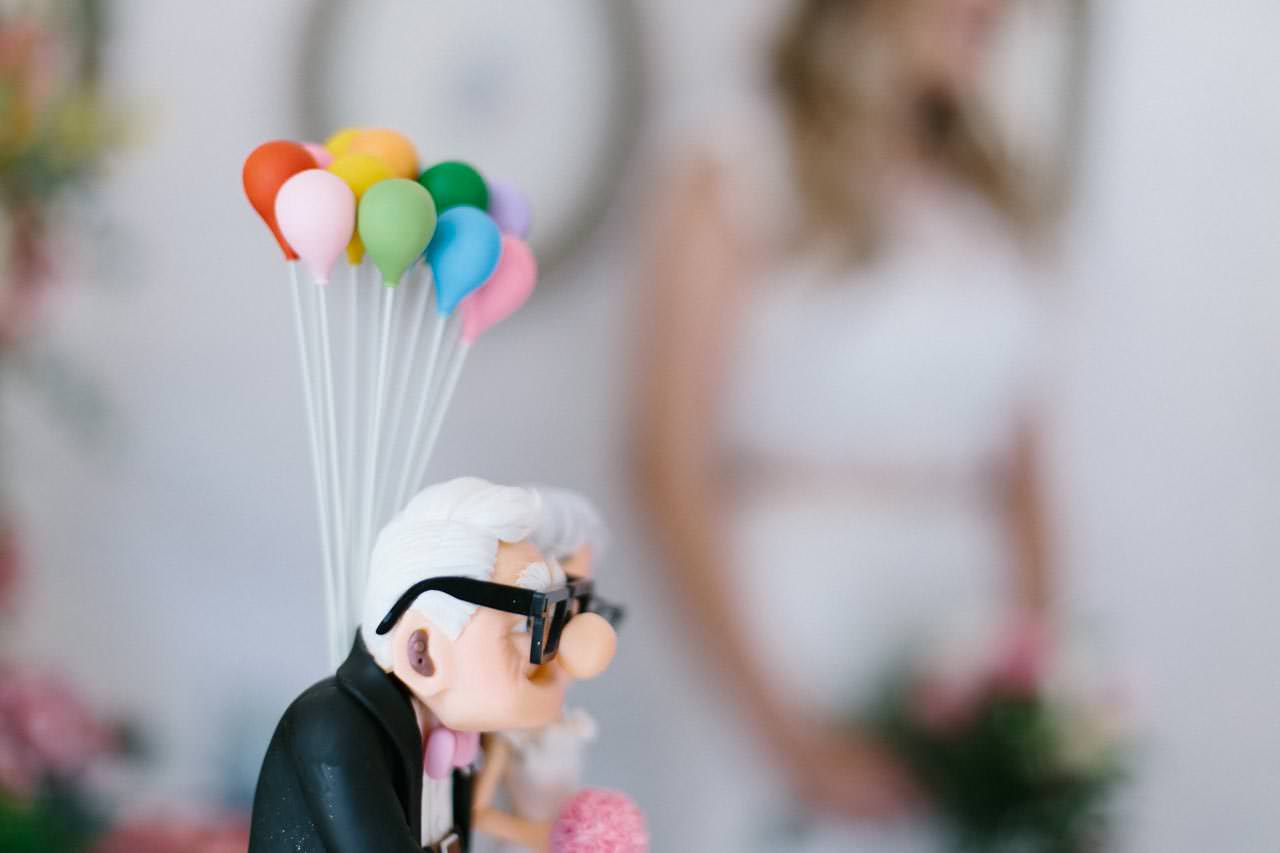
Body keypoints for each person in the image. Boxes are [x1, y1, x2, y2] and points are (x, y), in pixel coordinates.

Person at [634, 0, 1062, 849]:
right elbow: (663, 463)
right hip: (791, 636)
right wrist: (787, 738)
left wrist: (1035, 700)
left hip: (961, 641)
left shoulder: (990, 191)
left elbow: (1024, 476)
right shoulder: (738, 162)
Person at [249, 478, 620, 853]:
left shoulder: (456, 723)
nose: (567, 648)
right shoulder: (333, 728)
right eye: (529, 624)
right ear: (422, 653)